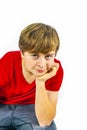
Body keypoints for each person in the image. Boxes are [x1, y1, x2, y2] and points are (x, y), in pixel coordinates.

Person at [0, 23, 64, 130]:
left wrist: (40, 82)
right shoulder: (9, 61)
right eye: (35, 55)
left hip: (32, 109)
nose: (42, 64)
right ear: (22, 53)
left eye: (48, 56)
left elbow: (44, 120)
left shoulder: (55, 69)